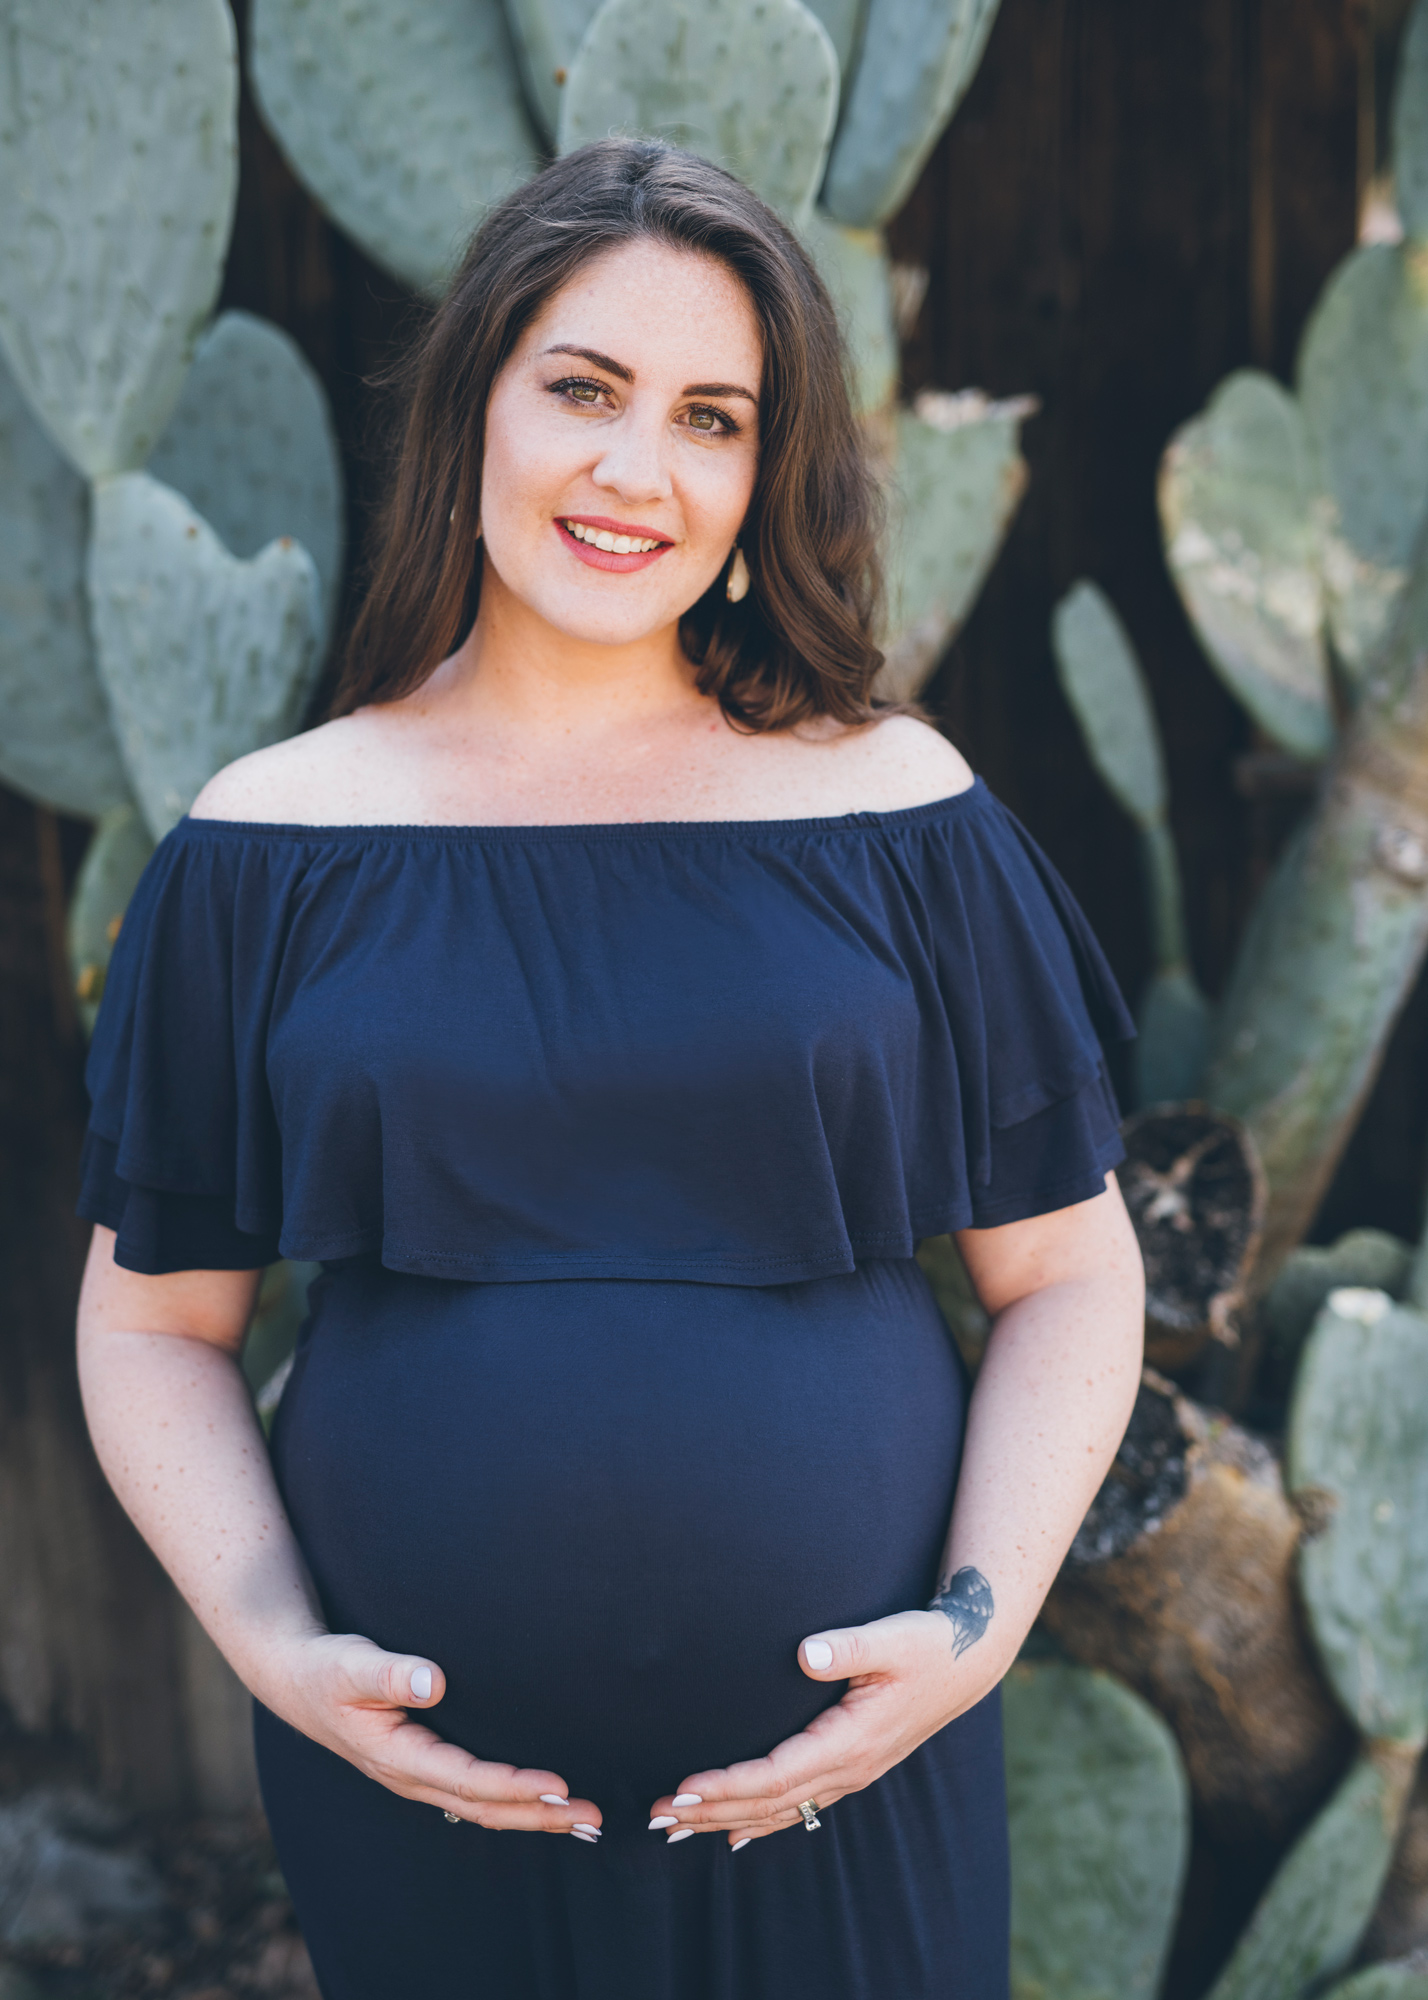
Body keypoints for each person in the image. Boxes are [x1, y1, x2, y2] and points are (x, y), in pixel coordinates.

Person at [74, 139, 1145, 2000]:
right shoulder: (268, 844)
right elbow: (153, 1323)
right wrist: (270, 1647)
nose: (638, 471)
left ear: (762, 473)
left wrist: (971, 1633)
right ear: (477, 401)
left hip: (846, 1786)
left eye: (712, 418)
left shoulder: (898, 813)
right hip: (428, 1802)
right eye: (583, 390)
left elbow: (1067, 1272)